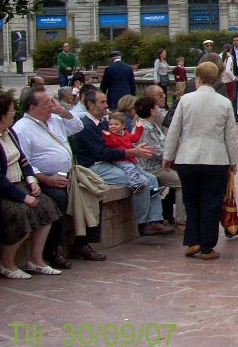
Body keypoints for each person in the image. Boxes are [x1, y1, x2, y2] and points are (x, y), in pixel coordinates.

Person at [11, 88, 96, 268]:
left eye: (52, 101)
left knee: (92, 190)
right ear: (33, 107)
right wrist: (45, 179)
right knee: (58, 198)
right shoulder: (22, 129)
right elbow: (24, 161)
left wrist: (62, 111)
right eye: (47, 103)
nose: (51, 105)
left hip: (68, 174)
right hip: (43, 180)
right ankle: (52, 249)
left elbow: (77, 126)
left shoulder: (55, 119)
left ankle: (83, 242)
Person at [72, 87, 173, 236]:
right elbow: (102, 153)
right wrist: (131, 152)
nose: (106, 105)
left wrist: (134, 147)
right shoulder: (86, 126)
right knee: (142, 182)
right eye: (102, 102)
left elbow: (119, 142)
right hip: (95, 167)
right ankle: (143, 223)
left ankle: (155, 220)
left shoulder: (103, 123)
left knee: (152, 179)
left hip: (113, 163)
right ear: (91, 105)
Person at [163, 61, 237, 260]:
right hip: (216, 158)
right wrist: (233, 161)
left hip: (187, 157)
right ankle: (207, 246)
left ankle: (192, 241)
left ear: (198, 79)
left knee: (191, 200)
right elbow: (230, 136)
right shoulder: (224, 103)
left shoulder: (185, 100)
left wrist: (167, 156)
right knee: (211, 202)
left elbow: (174, 131)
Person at [0, 93, 64, 279]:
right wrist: (24, 197)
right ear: (2, 114)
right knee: (21, 212)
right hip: (5, 188)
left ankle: (36, 259)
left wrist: (32, 181)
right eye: (11, 110)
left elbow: (24, 161)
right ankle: (7, 263)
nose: (14, 114)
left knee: (47, 205)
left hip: (20, 183)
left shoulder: (10, 133)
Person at [135, 94, 185, 229]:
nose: (158, 110)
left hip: (160, 165)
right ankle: (181, 221)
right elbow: (156, 152)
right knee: (182, 183)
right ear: (151, 111)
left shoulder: (153, 125)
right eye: (156, 107)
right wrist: (174, 153)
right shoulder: (145, 128)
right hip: (152, 168)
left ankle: (167, 213)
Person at [101, 113, 151, 192]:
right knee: (130, 169)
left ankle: (150, 189)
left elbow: (135, 138)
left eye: (116, 124)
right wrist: (107, 136)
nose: (113, 126)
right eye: (110, 124)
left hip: (130, 158)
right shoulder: (111, 135)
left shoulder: (126, 134)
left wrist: (138, 127)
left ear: (123, 126)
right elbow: (112, 143)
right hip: (120, 159)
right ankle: (135, 185)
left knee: (140, 170)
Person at [220, 45, 237, 118]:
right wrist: (233, 78)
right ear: (230, 50)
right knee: (229, 99)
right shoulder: (229, 57)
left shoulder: (219, 55)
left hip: (221, 80)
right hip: (228, 81)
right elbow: (228, 70)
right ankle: (229, 116)